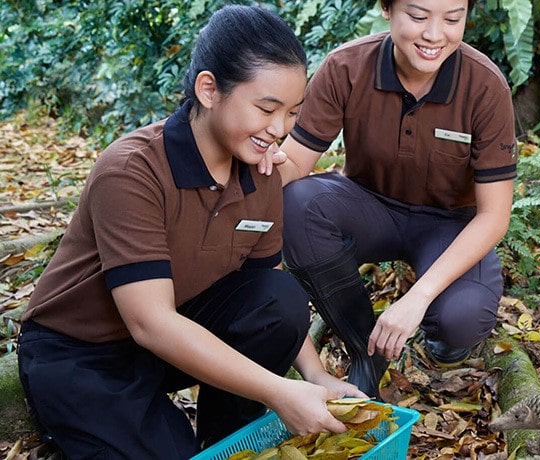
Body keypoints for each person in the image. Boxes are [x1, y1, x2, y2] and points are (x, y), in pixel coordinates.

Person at [16, 5, 364, 459]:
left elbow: (269, 295)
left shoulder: (261, 176)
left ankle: (229, 441)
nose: (279, 130)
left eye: (293, 112)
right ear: (208, 89)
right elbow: (150, 321)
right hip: (82, 354)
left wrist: (315, 377)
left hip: (166, 342)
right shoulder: (131, 170)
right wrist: (280, 392)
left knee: (279, 296)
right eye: (266, 108)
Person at [259, 0, 518, 399]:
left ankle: (434, 345)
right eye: (417, 16)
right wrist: (243, 189)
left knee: (462, 319)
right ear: (386, 7)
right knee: (298, 203)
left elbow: (494, 216)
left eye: (453, 19)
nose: (434, 34)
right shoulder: (347, 67)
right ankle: (365, 346)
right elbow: (294, 162)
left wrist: (416, 299)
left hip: (449, 225)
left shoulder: (484, 85)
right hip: (369, 207)